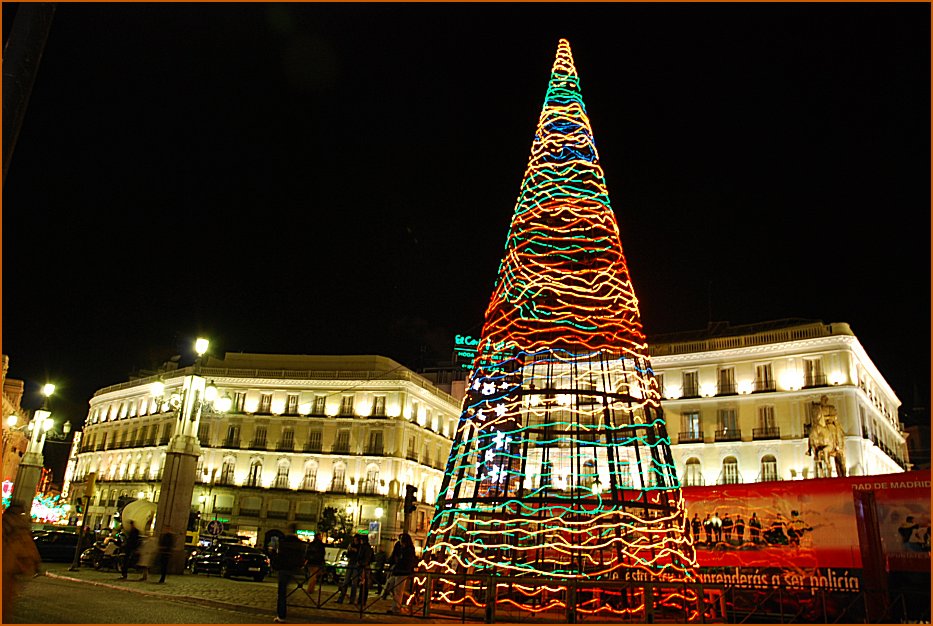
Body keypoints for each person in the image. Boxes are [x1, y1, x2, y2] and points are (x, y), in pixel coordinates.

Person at [2, 504, 42, 623]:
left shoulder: (8, 525)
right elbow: (29, 549)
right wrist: (35, 563)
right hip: (9, 568)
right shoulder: (20, 530)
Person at [275, 525, 308, 623]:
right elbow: (302, 556)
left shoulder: (283, 542)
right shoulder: (299, 543)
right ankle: (287, 609)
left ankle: (281, 615)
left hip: (284, 568)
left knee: (281, 593)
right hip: (293, 569)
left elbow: (279, 555)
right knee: (287, 591)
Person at [384, 533, 417, 615]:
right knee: (391, 586)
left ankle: (396, 608)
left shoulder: (409, 549)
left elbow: (407, 561)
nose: (401, 541)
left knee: (398, 590)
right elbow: (394, 555)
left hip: (402, 571)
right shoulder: (398, 546)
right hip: (396, 570)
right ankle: (403, 599)